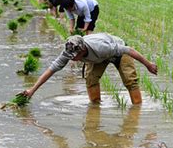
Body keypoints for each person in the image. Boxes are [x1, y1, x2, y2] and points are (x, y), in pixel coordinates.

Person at [21, 33, 158, 105]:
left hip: (120, 53)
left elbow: (129, 50)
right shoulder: (68, 51)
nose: (73, 59)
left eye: (76, 56)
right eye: (71, 57)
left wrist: (148, 65)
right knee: (91, 79)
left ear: (83, 49)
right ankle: (95, 106)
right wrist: (32, 90)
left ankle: (137, 108)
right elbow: (51, 70)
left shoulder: (100, 47)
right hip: (98, 58)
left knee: (130, 80)